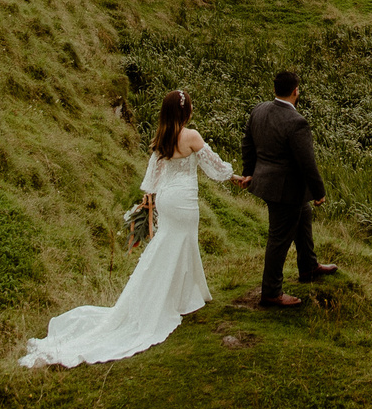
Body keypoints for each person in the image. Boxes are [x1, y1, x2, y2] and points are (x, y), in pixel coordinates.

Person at [18, 90, 240, 368]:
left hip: (168, 200)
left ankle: (183, 296)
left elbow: (152, 177)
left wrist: (150, 199)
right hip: (184, 201)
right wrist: (234, 176)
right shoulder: (191, 136)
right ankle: (180, 298)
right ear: (186, 111)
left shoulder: (163, 138)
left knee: (169, 244)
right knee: (182, 243)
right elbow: (214, 166)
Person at [240, 69, 336, 307]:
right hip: (285, 190)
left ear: (275, 90)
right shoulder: (296, 122)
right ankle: (271, 292)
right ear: (296, 91)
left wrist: (249, 171)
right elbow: (307, 161)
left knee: (303, 215)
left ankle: (308, 267)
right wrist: (319, 192)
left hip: (268, 184)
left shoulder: (259, 110)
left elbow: (247, 142)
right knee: (279, 239)